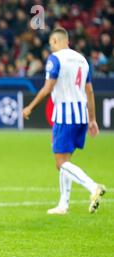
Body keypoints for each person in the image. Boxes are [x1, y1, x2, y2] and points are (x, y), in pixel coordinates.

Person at [23, 27, 106, 215]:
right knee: (65, 161)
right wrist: (92, 119)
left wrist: (30, 107)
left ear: (55, 42)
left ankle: (93, 187)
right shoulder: (82, 60)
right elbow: (90, 91)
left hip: (64, 115)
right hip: (81, 115)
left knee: (61, 162)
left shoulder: (55, 59)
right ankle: (63, 204)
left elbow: (47, 88)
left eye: (51, 43)